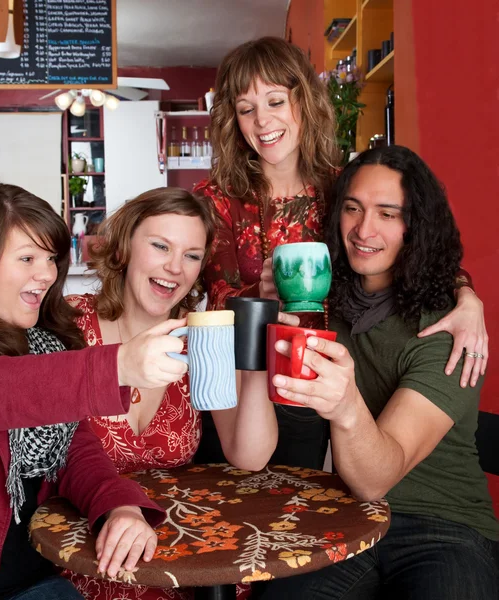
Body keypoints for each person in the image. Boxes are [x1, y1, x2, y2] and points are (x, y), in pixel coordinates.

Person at [195, 36, 488, 470]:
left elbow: (415, 247)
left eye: (275, 101)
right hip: (233, 388)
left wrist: (468, 297)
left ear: (304, 102)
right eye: (246, 109)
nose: (262, 121)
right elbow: (209, 301)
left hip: (311, 386)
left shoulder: (344, 188)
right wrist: (260, 295)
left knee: (297, 519)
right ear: (233, 120)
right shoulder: (214, 199)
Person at [254, 146, 499, 599]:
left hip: (444, 527)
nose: (364, 230)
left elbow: (374, 481)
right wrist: (276, 306)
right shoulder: (330, 309)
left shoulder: (447, 329)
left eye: (388, 214)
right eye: (353, 209)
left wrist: (345, 404)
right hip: (348, 519)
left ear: (416, 227)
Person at [0, 184, 194, 600]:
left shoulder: (42, 342)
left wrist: (121, 507)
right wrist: (118, 365)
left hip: (39, 573)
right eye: (28, 258)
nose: (48, 274)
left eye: (51, 258)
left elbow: (76, 452)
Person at [62, 187, 287, 600]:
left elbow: (249, 454)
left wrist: (256, 341)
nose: (174, 267)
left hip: (179, 546)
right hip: (89, 548)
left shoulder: (200, 338)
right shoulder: (69, 324)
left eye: (191, 255)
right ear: (125, 248)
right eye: (160, 245)